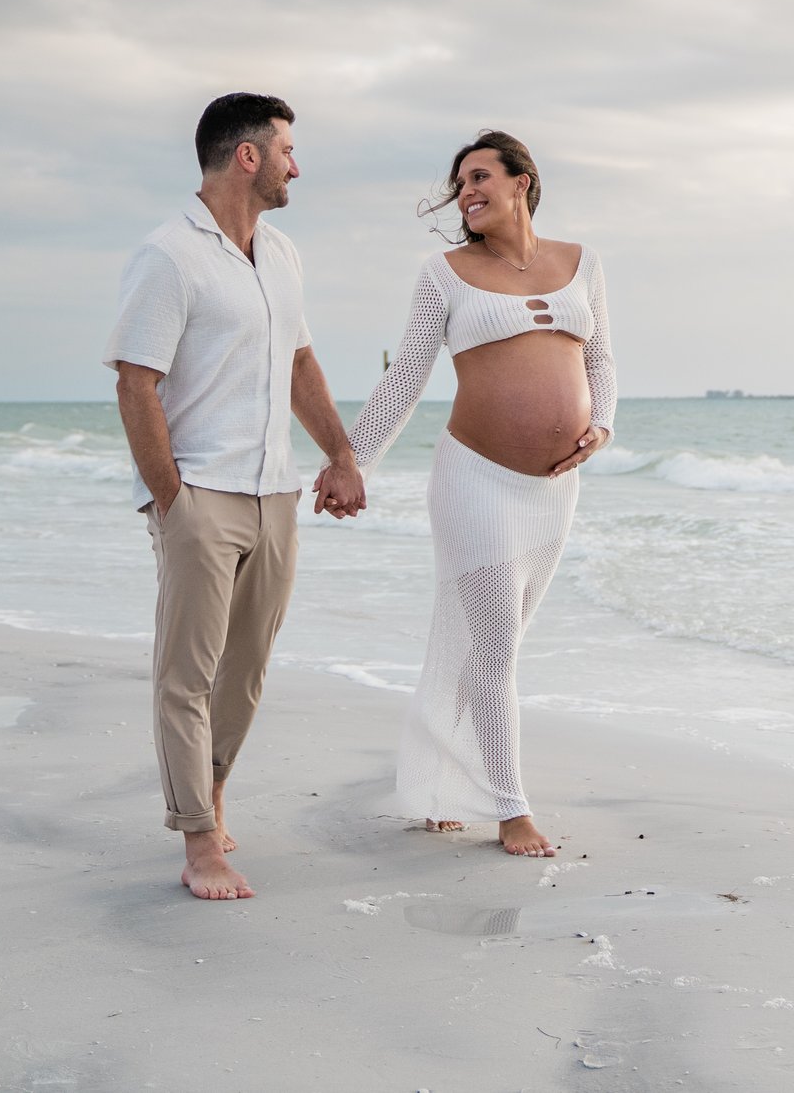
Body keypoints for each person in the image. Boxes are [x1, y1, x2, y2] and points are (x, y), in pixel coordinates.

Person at [106, 92, 365, 901]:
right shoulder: (167, 255)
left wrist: (342, 453)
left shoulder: (282, 253)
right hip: (201, 493)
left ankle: (210, 791)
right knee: (187, 674)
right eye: (287, 148)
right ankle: (197, 843)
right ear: (246, 155)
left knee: (245, 671)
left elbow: (299, 365)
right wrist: (173, 500)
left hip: (274, 491)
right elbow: (136, 383)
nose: (298, 164)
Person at [332, 129, 613, 857]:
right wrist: (350, 458)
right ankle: (510, 808)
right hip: (473, 479)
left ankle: (440, 779)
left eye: (481, 175)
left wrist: (602, 426)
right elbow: (407, 377)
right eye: (460, 183)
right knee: (497, 648)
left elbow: (601, 358)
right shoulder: (444, 273)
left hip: (554, 491)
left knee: (489, 643)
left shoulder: (583, 263)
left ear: (523, 181)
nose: (468, 191)